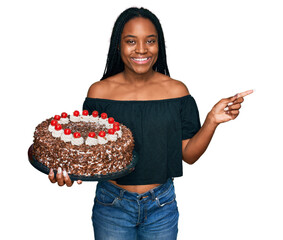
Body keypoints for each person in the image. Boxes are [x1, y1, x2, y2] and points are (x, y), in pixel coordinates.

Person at [48, 7, 253, 240]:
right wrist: (68, 172)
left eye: (150, 41)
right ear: (118, 45)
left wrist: (212, 121)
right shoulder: (99, 92)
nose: (142, 49)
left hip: (161, 206)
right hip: (112, 205)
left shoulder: (177, 91)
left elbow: (189, 155)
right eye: (131, 41)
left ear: (159, 45)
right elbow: (92, 157)